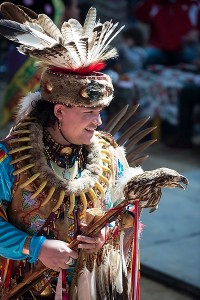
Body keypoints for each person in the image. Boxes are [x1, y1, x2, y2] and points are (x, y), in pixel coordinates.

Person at [0, 2, 189, 300]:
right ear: (60, 110)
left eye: (101, 111)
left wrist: (107, 231)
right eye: (89, 111)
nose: (98, 122)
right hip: (22, 287)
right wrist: (33, 247)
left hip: (88, 287)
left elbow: (123, 208)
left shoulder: (109, 155)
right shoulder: (9, 158)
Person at [134, 0, 200, 66]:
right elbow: (140, 15)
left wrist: (197, 31)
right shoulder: (154, 4)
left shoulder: (192, 4)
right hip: (158, 48)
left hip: (184, 48)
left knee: (194, 61)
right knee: (146, 57)